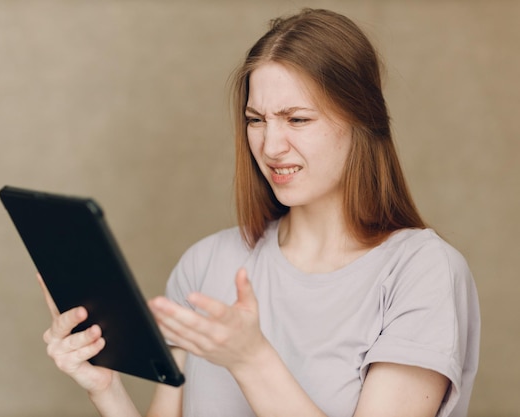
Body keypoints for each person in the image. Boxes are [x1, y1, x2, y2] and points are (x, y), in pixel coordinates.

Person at [40, 8, 480, 417]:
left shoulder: (422, 272)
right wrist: (104, 387)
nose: (270, 147)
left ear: (362, 120)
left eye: (297, 120)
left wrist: (251, 359)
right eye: (256, 120)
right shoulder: (206, 264)